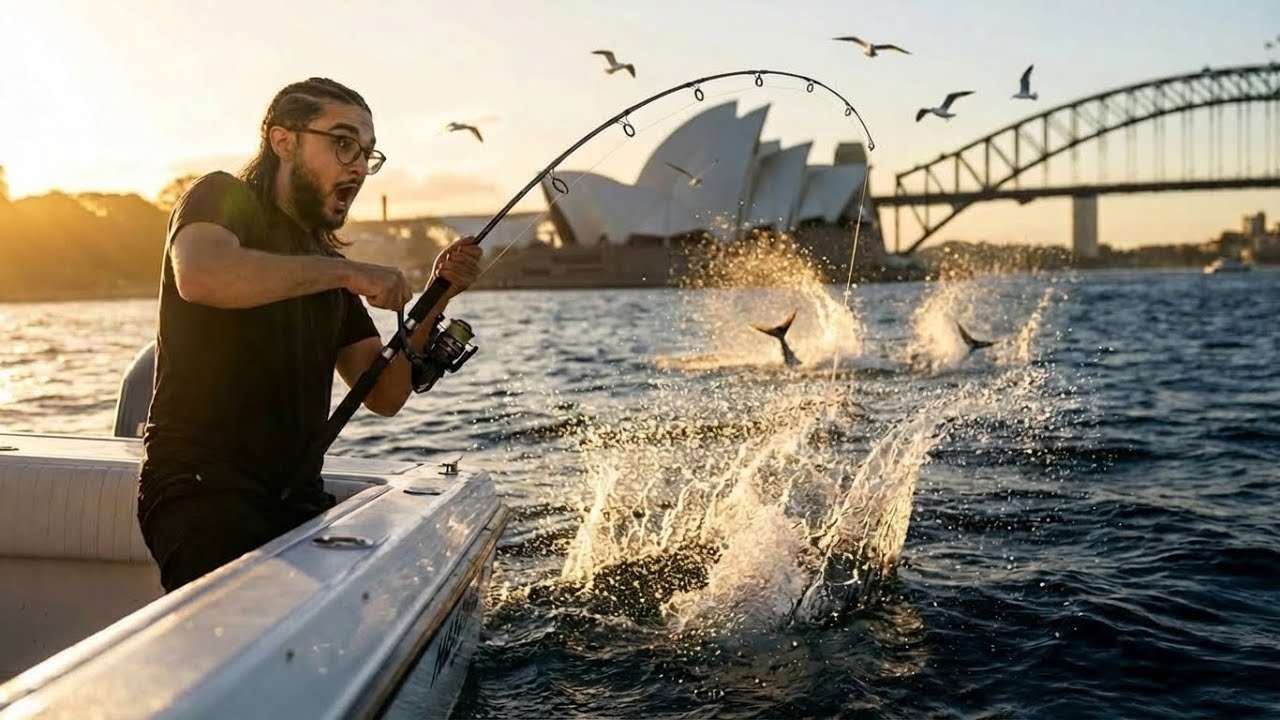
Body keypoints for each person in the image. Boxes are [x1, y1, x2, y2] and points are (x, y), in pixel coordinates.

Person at [137, 77, 482, 593]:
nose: (359, 166)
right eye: (343, 143)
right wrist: (347, 274)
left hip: (295, 501)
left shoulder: (327, 267)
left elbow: (385, 394)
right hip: (201, 490)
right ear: (284, 141)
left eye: (368, 153)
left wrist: (438, 297)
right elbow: (203, 275)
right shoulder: (221, 197)